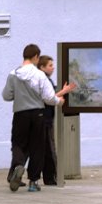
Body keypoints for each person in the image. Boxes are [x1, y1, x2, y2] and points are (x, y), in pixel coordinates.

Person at [2, 44, 70, 192]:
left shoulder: (13, 74)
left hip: (20, 113)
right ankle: (33, 182)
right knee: (37, 148)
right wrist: (59, 101)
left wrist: (18, 95)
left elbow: (6, 96)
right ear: (35, 57)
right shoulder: (39, 75)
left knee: (18, 144)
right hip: (38, 114)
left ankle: (19, 165)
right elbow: (48, 97)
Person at [37, 54, 65, 185]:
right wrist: (64, 91)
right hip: (45, 119)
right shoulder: (43, 80)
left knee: (45, 149)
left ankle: (49, 176)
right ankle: (50, 177)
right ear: (42, 67)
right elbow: (49, 98)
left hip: (45, 118)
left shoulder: (46, 79)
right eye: (50, 65)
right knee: (49, 149)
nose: (53, 68)